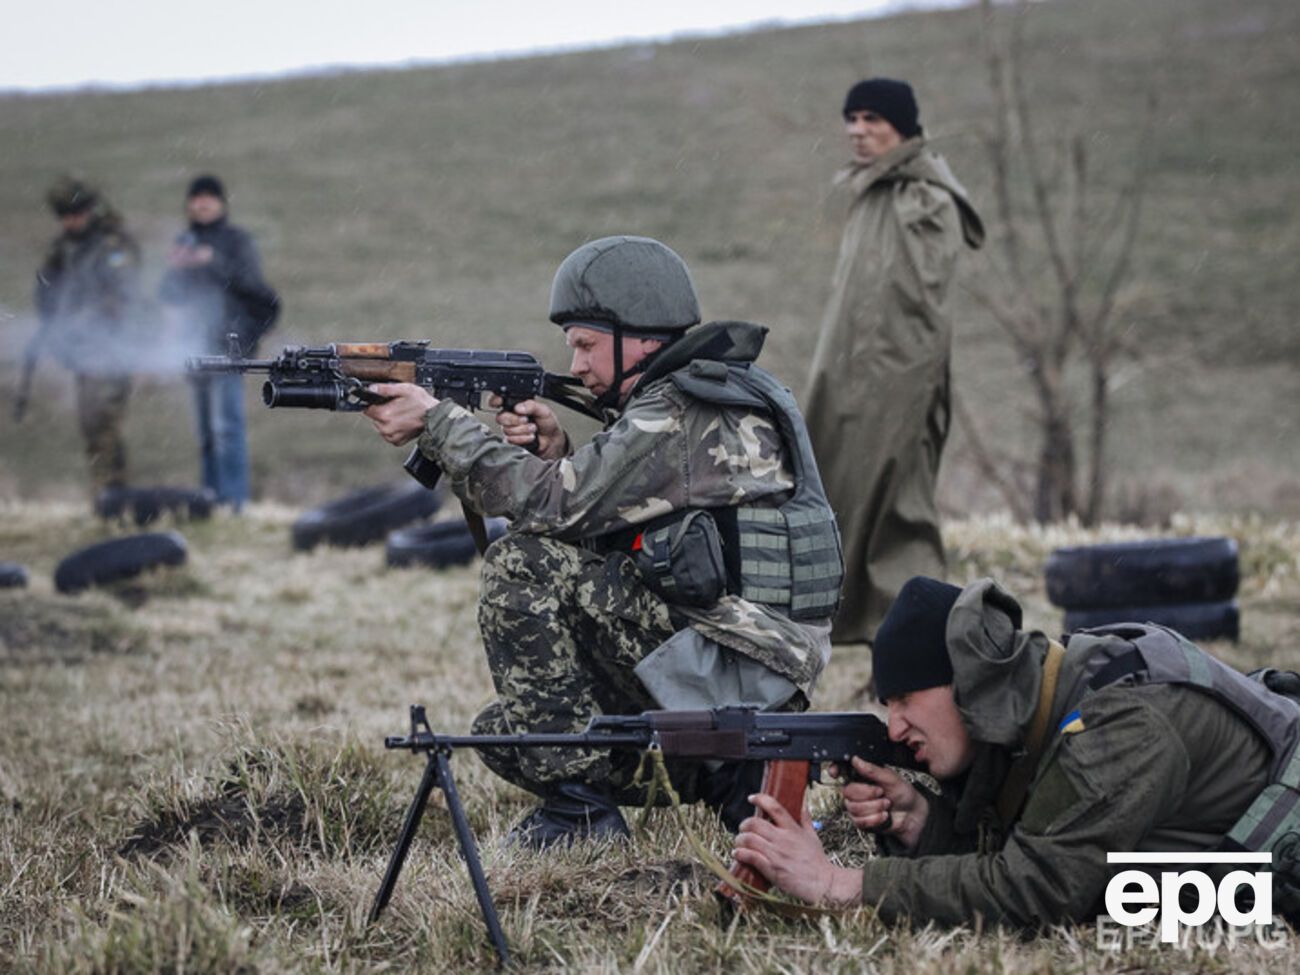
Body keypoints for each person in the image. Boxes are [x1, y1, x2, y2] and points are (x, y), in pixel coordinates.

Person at [364, 235, 844, 847]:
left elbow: (553, 506)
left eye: (587, 346)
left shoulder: (678, 410)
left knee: (520, 562)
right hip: (747, 666)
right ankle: (728, 773)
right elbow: (626, 520)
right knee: (517, 732)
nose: (578, 367)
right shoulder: (707, 397)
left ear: (641, 337)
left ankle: (581, 816)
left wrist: (438, 423)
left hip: (736, 664)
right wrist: (558, 452)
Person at [733, 575, 1300, 924]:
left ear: (970, 681)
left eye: (906, 697)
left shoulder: (1117, 726)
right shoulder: (1050, 698)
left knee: (1127, 907)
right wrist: (926, 824)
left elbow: (1040, 891)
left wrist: (841, 885)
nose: (896, 726)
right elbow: (1048, 837)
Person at [803, 78, 985, 645]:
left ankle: (920, 649)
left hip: (897, 387)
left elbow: (920, 316)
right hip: (849, 381)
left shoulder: (926, 200)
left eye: (871, 119)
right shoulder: (873, 193)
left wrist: (901, 392)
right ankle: (874, 638)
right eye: (851, 118)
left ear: (901, 127)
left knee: (896, 511)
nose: (858, 130)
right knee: (836, 496)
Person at [159, 174, 279, 511]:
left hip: (228, 348)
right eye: (196, 197)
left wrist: (212, 262)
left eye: (208, 197)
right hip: (193, 349)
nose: (201, 203)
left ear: (221, 203)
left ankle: (235, 503)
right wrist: (176, 267)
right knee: (206, 435)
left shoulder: (236, 241)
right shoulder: (185, 243)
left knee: (227, 429)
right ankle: (210, 501)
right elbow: (168, 296)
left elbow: (253, 286)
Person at [33, 176, 141, 497]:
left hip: (112, 348)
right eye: (65, 215)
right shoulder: (65, 247)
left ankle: (112, 493)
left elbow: (124, 293)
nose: (70, 221)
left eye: (76, 213)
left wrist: (88, 319)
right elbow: (46, 286)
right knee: (91, 424)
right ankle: (104, 493)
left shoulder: (112, 244)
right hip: (82, 349)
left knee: (103, 423)